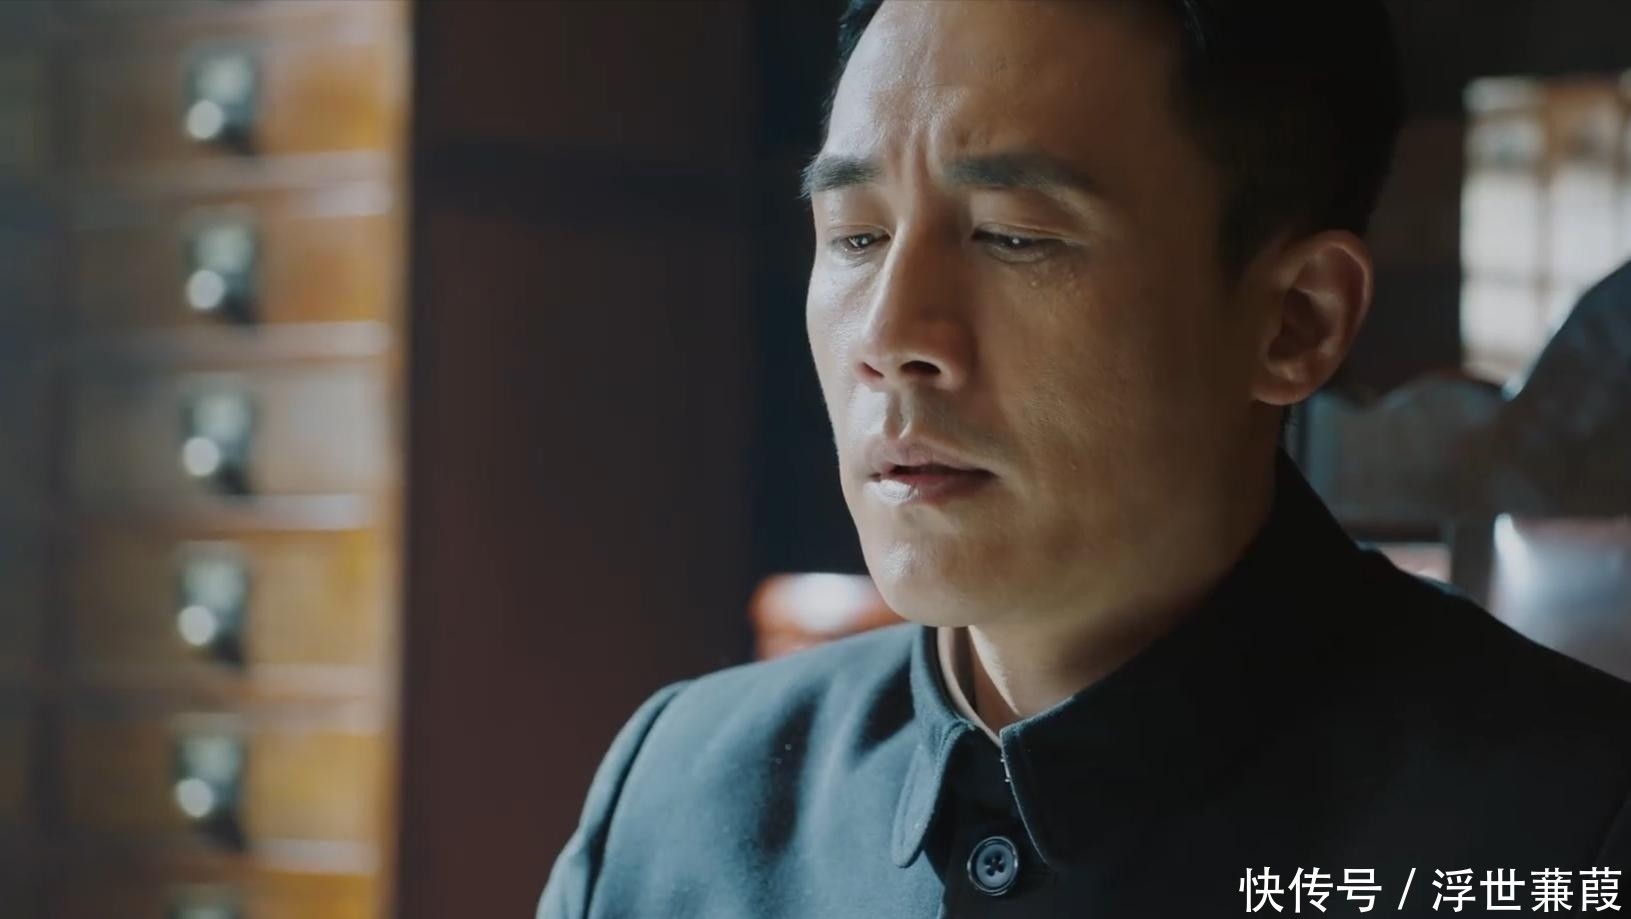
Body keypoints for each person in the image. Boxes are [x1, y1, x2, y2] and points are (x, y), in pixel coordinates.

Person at [539, 1, 1631, 915]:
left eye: (1015, 236)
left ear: (1292, 320)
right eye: (857, 236)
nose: (890, 335)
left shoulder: (1567, 834)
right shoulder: (681, 791)